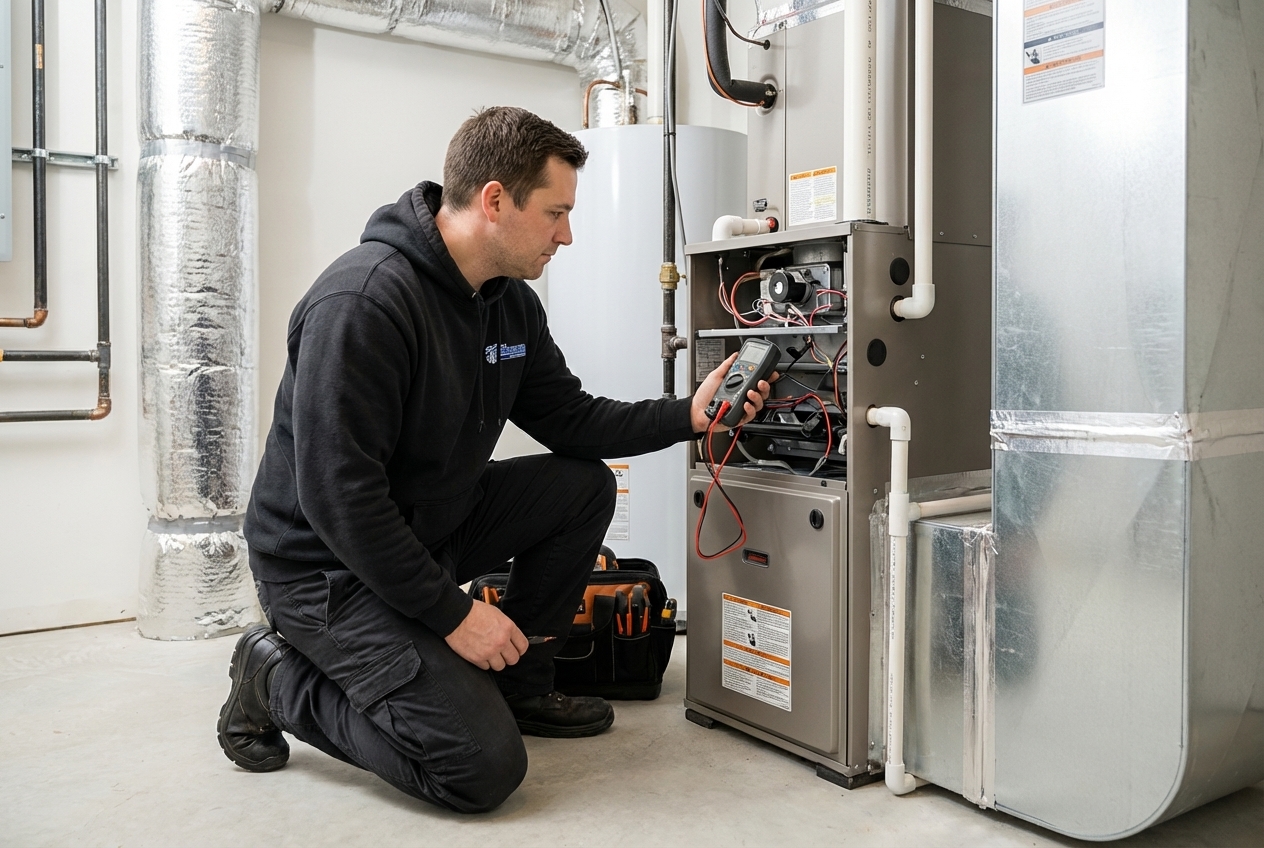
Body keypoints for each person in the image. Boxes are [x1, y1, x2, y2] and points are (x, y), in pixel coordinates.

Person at [215, 106, 772, 813]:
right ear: (496, 200)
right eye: (556, 213)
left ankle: (522, 684)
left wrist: (686, 418)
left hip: (427, 528)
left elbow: (568, 418)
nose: (567, 235)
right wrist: (454, 616)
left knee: (580, 487)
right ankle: (276, 680)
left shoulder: (506, 304)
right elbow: (340, 500)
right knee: (479, 769)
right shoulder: (363, 302)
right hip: (324, 569)